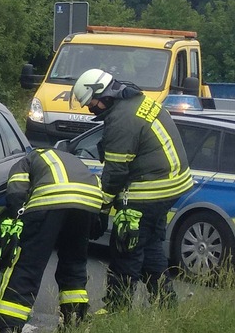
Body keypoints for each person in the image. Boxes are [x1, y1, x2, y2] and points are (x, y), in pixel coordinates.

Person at [70, 67, 193, 312]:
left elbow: (115, 172)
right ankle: (166, 305)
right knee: (149, 248)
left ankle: (117, 310)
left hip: (148, 192)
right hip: (170, 187)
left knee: (126, 248)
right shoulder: (137, 102)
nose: (90, 109)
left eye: (91, 103)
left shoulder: (121, 120)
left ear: (103, 95)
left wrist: (101, 208)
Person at [0, 148, 104, 333]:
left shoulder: (27, 160)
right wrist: (97, 220)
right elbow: (100, 189)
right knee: (74, 264)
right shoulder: (72, 160)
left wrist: (18, 217)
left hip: (49, 202)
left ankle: (5, 331)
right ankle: (73, 321)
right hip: (86, 205)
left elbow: (17, 189)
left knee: (27, 265)